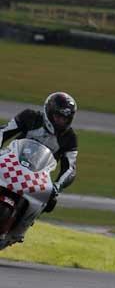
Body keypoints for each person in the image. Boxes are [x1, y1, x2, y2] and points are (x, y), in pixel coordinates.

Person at [0, 92, 78, 241]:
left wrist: (58, 186)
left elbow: (70, 168)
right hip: (11, 163)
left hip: (38, 177)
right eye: (58, 116)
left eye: (65, 118)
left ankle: (19, 230)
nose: (61, 121)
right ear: (48, 111)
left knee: (50, 201)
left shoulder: (70, 138)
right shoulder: (29, 117)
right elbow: (3, 132)